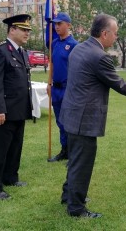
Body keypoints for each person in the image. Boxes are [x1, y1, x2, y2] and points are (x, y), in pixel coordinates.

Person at [59, 13, 126, 218]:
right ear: (105, 33)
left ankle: (69, 195)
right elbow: (117, 82)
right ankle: (76, 208)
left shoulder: (79, 48)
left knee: (74, 160)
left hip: (71, 115)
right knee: (82, 164)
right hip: (84, 120)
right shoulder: (99, 56)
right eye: (115, 34)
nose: (116, 37)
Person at [0, 14, 33, 200]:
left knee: (15, 147)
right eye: (23, 29)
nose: (27, 33)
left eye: (29, 30)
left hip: (18, 109)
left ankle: (10, 176)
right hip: (4, 110)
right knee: (0, 149)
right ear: (12, 29)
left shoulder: (22, 52)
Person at [47, 12, 78, 162]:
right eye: (55, 24)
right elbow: (51, 64)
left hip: (68, 88)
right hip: (56, 88)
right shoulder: (54, 43)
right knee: (60, 121)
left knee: (69, 122)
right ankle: (64, 150)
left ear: (68, 25)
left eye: (59, 23)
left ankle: (73, 153)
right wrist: (49, 83)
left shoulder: (74, 45)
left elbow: (77, 69)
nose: (56, 26)